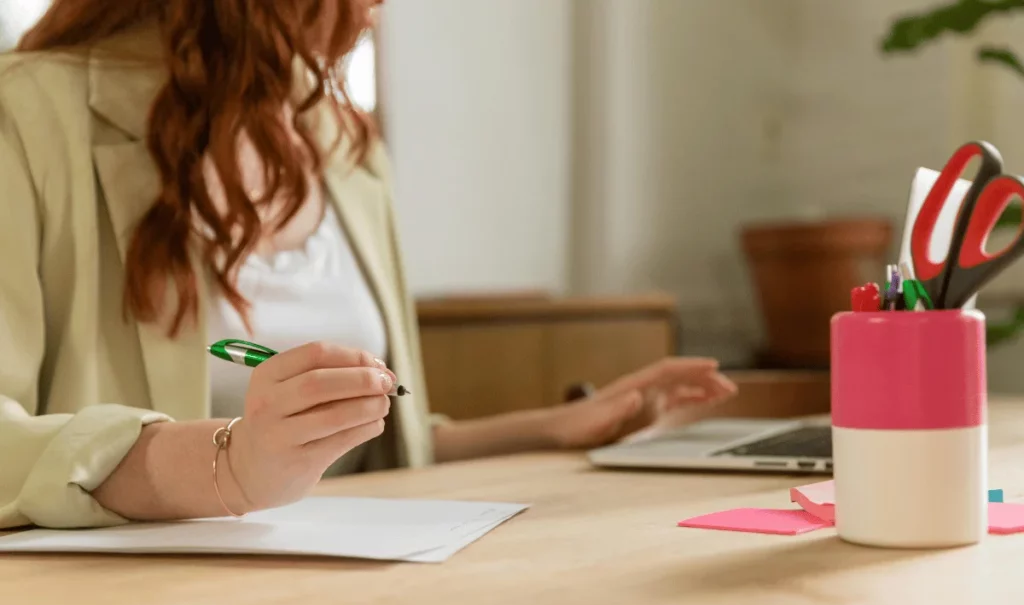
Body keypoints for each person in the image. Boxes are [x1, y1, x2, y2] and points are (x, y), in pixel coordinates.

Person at [0, 0, 738, 531]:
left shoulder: (343, 147)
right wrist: (228, 464)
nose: (376, 14)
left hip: (350, 591)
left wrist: (558, 426)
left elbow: (362, 442)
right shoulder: (26, 119)